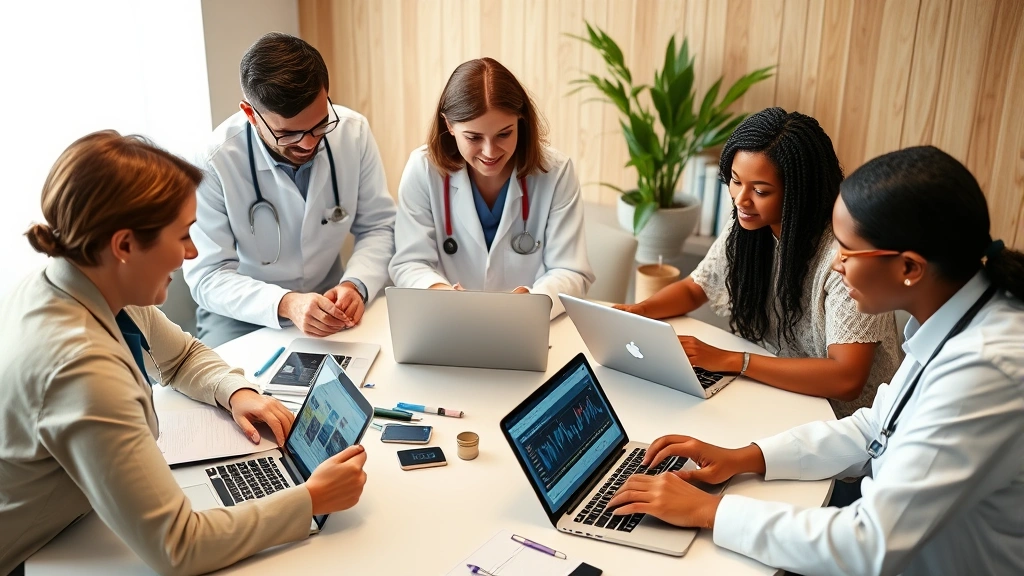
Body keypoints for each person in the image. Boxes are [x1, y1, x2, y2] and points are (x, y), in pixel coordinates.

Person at [607, 146, 1024, 576]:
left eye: (847, 250)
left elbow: (868, 545)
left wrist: (712, 512)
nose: (837, 265)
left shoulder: (984, 371)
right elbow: (875, 428)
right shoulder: (956, 318)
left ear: (909, 268)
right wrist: (746, 457)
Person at [0, 131, 369, 576]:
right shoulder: (80, 370)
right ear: (124, 245)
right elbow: (179, 548)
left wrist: (236, 392)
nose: (193, 253)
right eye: (182, 236)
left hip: (78, 524)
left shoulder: (87, 276)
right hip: (32, 558)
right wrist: (310, 500)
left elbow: (179, 358)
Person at [614, 107, 900, 417]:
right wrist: (637, 312)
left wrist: (732, 360)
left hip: (843, 420)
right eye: (735, 181)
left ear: (800, 194)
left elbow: (846, 380)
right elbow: (698, 286)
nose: (740, 200)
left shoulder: (845, 255)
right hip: (776, 393)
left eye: (761, 190)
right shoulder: (749, 221)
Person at [184, 32, 396, 347]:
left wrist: (355, 284)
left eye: (319, 124)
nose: (309, 143)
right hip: (240, 313)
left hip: (330, 298)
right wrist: (287, 303)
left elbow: (379, 226)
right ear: (250, 114)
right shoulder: (212, 162)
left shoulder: (354, 133)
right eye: (288, 133)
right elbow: (209, 276)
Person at [388, 57, 594, 319]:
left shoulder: (555, 172)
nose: (489, 152)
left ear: (520, 120)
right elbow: (410, 263)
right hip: (448, 322)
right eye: (473, 137)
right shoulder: (423, 170)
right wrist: (443, 294)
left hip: (526, 324)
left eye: (504, 134)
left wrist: (525, 302)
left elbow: (571, 271)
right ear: (449, 126)